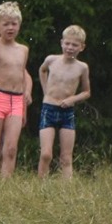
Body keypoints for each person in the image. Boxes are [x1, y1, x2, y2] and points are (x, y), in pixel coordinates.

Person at [0, 2, 32, 177]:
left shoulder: (23, 50)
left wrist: (23, 108)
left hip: (16, 100)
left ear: (19, 25)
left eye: (14, 24)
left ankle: (5, 184)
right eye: (6, 24)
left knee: (11, 148)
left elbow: (22, 78)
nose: (10, 28)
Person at [37, 25, 91, 179]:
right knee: (46, 154)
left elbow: (87, 92)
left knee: (66, 157)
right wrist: (46, 90)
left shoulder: (82, 67)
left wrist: (72, 99)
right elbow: (42, 70)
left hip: (67, 112)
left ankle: (67, 189)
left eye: (75, 45)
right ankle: (40, 185)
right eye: (67, 43)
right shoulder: (51, 60)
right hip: (49, 109)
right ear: (61, 43)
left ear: (82, 47)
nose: (70, 48)